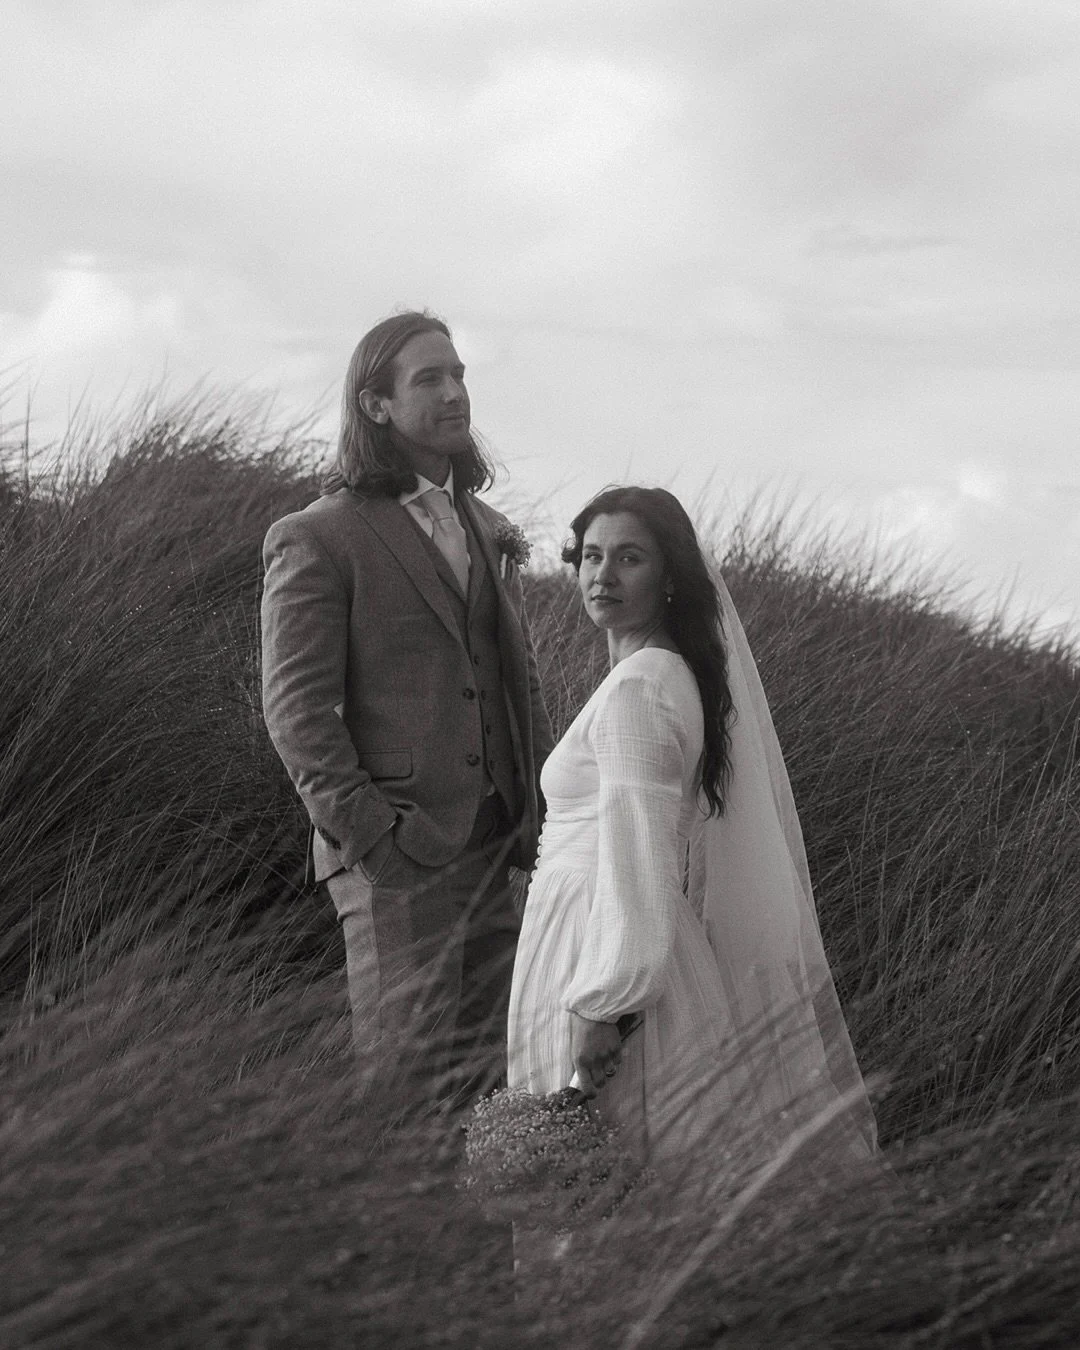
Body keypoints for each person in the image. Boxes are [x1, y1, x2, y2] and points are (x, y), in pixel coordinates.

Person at [507, 486, 877, 1182]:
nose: (602, 575)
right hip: (603, 936)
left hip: (601, 947)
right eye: (590, 556)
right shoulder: (662, 675)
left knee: (604, 1178)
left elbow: (636, 854)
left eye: (629, 558)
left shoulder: (640, 690)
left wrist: (604, 1006)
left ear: (670, 576)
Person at [261, 310, 553, 1103]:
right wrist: (372, 841)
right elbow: (296, 713)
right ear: (376, 405)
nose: (455, 391)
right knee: (407, 1101)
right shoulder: (318, 537)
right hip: (398, 858)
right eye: (430, 378)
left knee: (497, 1096)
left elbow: (512, 680)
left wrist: (534, 817)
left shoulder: (485, 527)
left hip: (500, 851)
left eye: (459, 374)